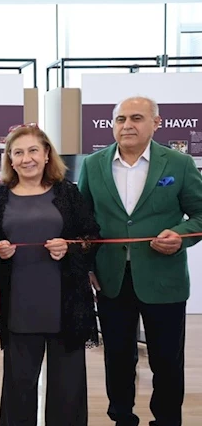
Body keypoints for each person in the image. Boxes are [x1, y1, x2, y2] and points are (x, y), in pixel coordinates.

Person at [78, 96, 202, 426]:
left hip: (164, 279)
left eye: (136, 118)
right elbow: (82, 220)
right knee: (118, 358)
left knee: (166, 359)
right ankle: (122, 418)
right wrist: (88, 264)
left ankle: (167, 420)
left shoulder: (178, 164)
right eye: (120, 119)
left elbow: (200, 214)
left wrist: (181, 236)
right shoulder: (93, 165)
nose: (127, 125)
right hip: (110, 277)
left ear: (155, 123)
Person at [0, 124, 100, 426]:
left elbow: (92, 238)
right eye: (18, 152)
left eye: (33, 150)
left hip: (66, 306)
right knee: (18, 389)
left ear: (47, 154)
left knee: (68, 390)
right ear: (9, 158)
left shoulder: (68, 194)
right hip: (18, 307)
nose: (26, 158)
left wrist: (69, 247)